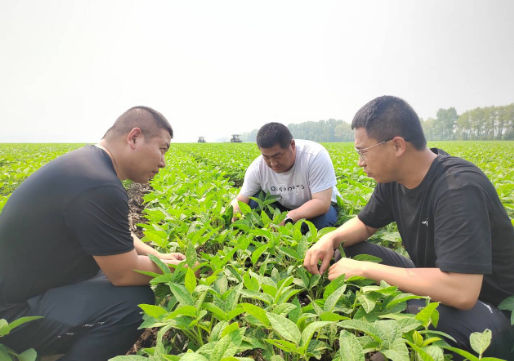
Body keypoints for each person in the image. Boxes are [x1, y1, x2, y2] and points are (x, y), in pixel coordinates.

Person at [303, 96, 514, 359]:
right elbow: (365, 223)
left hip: (491, 314)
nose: (360, 162)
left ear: (398, 145)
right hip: (437, 278)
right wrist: (330, 239)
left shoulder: (457, 189)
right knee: (346, 249)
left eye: (363, 152)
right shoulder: (394, 180)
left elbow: (463, 291)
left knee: (413, 312)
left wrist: (364, 269)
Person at [0, 106, 190, 361]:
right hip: (10, 314)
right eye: (162, 149)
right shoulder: (99, 185)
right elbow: (123, 272)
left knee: (114, 277)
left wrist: (159, 256)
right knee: (133, 302)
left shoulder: (88, 166)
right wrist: (183, 273)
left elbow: (116, 237)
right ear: (134, 138)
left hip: (22, 292)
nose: (163, 163)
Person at [231, 122, 340, 230]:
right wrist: (232, 215)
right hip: (282, 206)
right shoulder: (257, 168)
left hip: (318, 207)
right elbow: (241, 200)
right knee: (253, 203)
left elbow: (321, 202)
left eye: (277, 156)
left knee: (318, 223)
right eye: (266, 157)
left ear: (292, 145)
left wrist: (289, 217)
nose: (273, 163)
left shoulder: (314, 156)